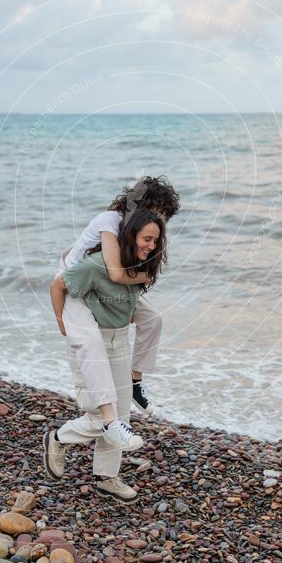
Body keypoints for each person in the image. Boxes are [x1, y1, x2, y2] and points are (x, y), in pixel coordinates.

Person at [45, 208, 166, 503]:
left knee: (120, 416)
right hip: (92, 343)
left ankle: (106, 477)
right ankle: (59, 437)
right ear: (130, 236)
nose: (150, 246)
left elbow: (138, 308)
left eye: (155, 241)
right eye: (146, 239)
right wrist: (63, 323)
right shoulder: (96, 265)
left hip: (119, 341)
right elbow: (58, 285)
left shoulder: (139, 267)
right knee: (101, 414)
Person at [54, 176, 180, 416]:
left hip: (103, 280)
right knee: (90, 341)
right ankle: (104, 409)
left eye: (164, 217)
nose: (160, 222)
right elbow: (116, 273)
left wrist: (132, 300)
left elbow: (126, 270)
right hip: (75, 282)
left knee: (153, 319)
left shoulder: (142, 229)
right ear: (143, 205)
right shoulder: (111, 221)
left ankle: (134, 381)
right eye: (158, 212)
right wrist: (147, 277)